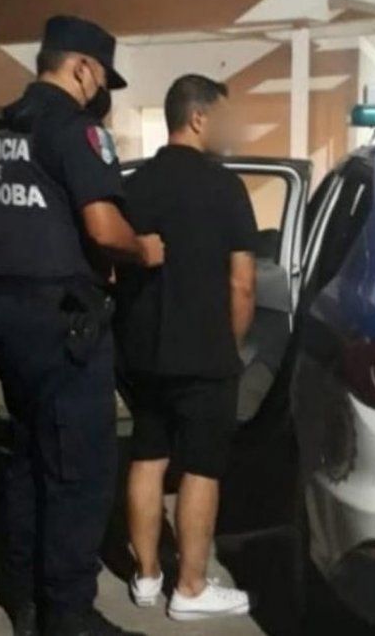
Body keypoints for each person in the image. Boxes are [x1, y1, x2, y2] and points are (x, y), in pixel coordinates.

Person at [0, 15, 164, 636]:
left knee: (30, 456)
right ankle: (68, 613)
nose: (99, 91)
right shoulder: (74, 128)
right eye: (100, 77)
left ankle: (25, 598)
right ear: (82, 67)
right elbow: (103, 229)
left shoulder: (1, 127)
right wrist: (143, 250)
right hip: (62, 319)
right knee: (79, 472)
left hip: (5, 309)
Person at [115, 75, 257, 621]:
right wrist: (232, 344)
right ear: (198, 118)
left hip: (143, 352)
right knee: (201, 466)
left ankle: (147, 575)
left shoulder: (134, 186)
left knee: (147, 456)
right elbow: (242, 283)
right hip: (204, 354)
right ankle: (191, 588)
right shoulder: (226, 188)